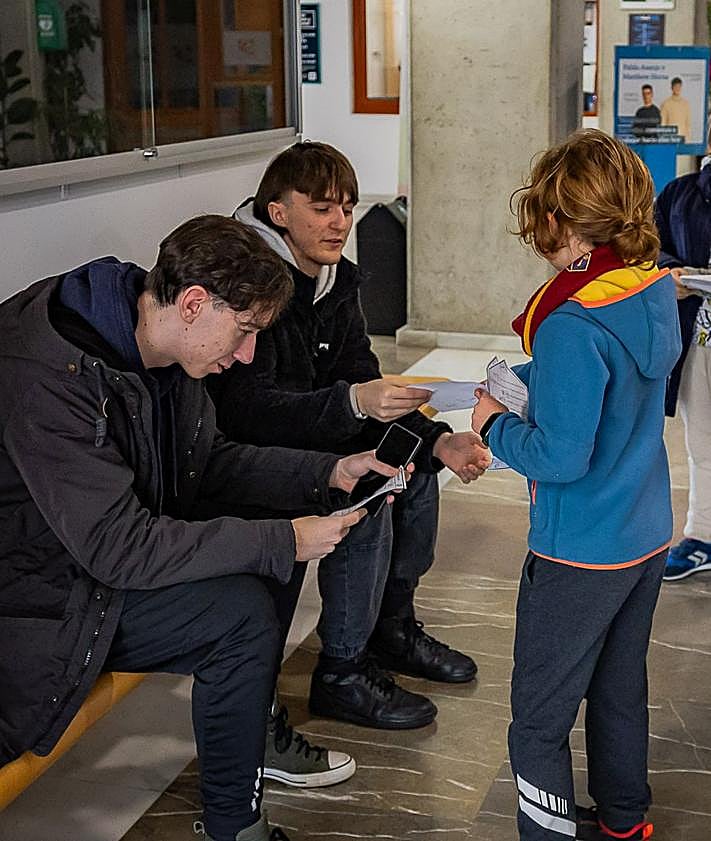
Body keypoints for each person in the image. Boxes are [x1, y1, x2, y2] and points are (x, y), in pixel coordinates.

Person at [0, 214, 404, 841]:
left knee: (255, 569)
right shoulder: (51, 373)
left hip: (84, 563)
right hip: (36, 595)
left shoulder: (157, 346)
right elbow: (119, 548)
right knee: (241, 608)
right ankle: (234, 824)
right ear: (193, 303)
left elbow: (207, 462)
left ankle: (243, 765)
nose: (245, 355)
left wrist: (327, 473)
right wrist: (286, 539)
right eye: (243, 333)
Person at [207, 142, 490, 749]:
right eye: (323, 208)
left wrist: (438, 442)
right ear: (278, 211)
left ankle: (390, 629)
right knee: (365, 490)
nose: (340, 222)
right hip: (245, 456)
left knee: (409, 468)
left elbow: (360, 374)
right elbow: (245, 410)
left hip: (310, 436)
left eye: (349, 207)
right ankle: (340, 669)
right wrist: (353, 404)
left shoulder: (337, 280)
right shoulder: (249, 280)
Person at [471, 129, 680, 841]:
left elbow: (559, 458)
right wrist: (534, 383)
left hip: (577, 549)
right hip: (644, 528)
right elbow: (616, 388)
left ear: (558, 220)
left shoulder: (567, 323)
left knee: (537, 718)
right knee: (620, 690)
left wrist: (491, 422)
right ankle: (624, 823)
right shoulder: (650, 290)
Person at [654, 143, 711, 580]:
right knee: (703, 438)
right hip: (701, 335)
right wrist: (670, 271)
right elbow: (651, 247)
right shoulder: (680, 193)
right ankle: (702, 535)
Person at [660, 77, 691, 143]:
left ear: (681, 87)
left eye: (679, 86)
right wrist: (663, 140)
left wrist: (688, 140)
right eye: (675, 86)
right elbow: (662, 124)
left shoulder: (685, 104)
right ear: (671, 88)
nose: (677, 88)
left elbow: (687, 124)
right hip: (669, 140)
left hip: (683, 139)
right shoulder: (666, 104)